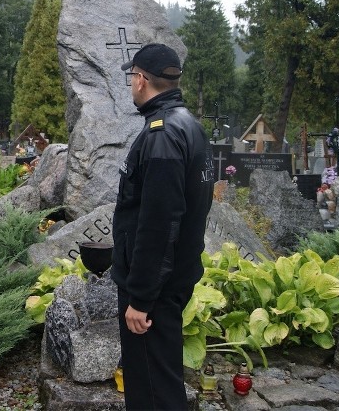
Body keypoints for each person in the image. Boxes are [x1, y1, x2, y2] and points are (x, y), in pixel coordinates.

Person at [110, 44, 214, 410]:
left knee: (152, 390)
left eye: (130, 78)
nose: (130, 85)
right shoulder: (189, 126)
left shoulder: (162, 135)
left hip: (154, 289)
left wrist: (140, 298)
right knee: (158, 380)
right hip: (173, 280)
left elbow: (158, 225)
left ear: (141, 79)